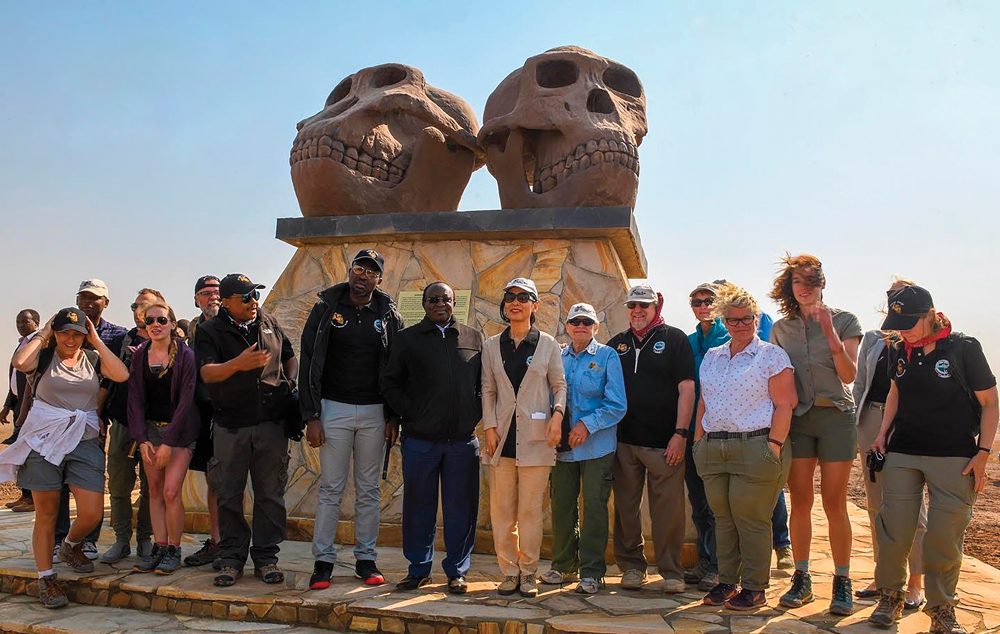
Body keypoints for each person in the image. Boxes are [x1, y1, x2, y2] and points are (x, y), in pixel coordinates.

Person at [867, 285, 998, 633]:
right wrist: (882, 433)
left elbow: (989, 403)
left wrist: (983, 453)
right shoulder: (898, 348)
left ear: (931, 314)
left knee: (943, 536)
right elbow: (895, 391)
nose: (904, 328)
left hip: (954, 456)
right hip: (903, 452)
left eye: (910, 322)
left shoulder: (963, 348)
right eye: (898, 322)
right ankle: (889, 599)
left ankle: (942, 610)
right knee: (893, 530)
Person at [0, 307, 128, 608]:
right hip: (44, 439)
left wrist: (96, 341)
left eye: (77, 333)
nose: (71, 339)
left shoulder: (93, 359)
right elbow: (19, 361)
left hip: (83, 439)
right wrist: (43, 333)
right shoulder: (43, 359)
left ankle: (70, 545)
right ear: (54, 333)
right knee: (46, 514)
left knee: (92, 513)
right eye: (64, 332)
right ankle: (46, 578)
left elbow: (122, 374)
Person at [299, 250, 404, 589]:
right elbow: (308, 361)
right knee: (331, 486)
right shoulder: (326, 309)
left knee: (369, 490)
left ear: (379, 279)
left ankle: (366, 559)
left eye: (371, 271)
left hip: (375, 412)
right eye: (359, 268)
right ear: (350, 271)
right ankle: (323, 560)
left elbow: (397, 370)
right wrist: (311, 415)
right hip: (334, 409)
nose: (363, 275)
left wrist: (393, 416)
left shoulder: (388, 315)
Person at [693, 283, 797, 610]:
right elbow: (703, 402)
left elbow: (786, 403)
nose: (741, 325)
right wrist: (698, 441)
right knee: (722, 518)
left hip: (756, 445)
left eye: (747, 318)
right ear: (724, 321)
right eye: (733, 320)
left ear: (756, 318)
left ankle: (754, 588)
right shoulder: (712, 357)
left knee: (751, 519)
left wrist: (774, 447)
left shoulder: (771, 355)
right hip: (714, 446)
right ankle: (727, 581)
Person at [769, 254, 863, 614]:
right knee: (802, 501)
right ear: (790, 287)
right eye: (797, 282)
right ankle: (802, 578)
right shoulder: (781, 328)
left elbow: (849, 375)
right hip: (800, 421)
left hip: (836, 416)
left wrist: (829, 331)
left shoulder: (846, 320)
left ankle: (842, 581)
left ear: (822, 283)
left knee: (835, 503)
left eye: (811, 281)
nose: (804, 288)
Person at [193, 273, 298, 588]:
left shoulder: (268, 322)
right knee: (229, 495)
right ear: (225, 302)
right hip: (231, 427)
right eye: (246, 297)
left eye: (255, 295)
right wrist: (238, 364)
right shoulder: (210, 331)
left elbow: (291, 357)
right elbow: (207, 374)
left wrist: (289, 382)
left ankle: (266, 559)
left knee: (270, 494)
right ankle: (231, 559)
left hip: (271, 425)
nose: (254, 302)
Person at [381, 282, 482, 594]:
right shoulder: (407, 340)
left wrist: (473, 413)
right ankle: (418, 569)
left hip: (462, 442)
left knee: (460, 510)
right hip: (420, 440)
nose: (440, 304)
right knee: (418, 508)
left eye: (446, 299)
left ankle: (457, 571)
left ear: (455, 302)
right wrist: (410, 413)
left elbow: (483, 383)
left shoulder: (472, 337)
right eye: (433, 299)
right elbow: (390, 383)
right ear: (424, 304)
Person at [607, 284, 695, 594]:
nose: (637, 310)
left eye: (644, 305)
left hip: (665, 443)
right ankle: (632, 567)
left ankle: (671, 571)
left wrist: (681, 434)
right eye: (632, 305)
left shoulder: (675, 339)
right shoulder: (616, 344)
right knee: (626, 509)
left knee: (667, 512)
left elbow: (687, 389)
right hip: (624, 443)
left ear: (656, 306)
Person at [482, 278, 566, 598]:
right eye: (510, 297)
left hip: (536, 441)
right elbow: (488, 390)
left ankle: (529, 572)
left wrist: (557, 414)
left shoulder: (548, 344)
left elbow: (559, 385)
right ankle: (509, 571)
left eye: (523, 297)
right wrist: (489, 427)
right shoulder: (491, 346)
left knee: (530, 512)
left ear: (535, 305)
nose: (515, 302)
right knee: (502, 511)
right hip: (501, 439)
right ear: (505, 305)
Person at [540, 303, 626, 594]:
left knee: (595, 509)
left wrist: (587, 425)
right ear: (567, 326)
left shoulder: (607, 356)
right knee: (562, 506)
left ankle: (592, 571)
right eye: (575, 321)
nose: (580, 326)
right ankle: (564, 566)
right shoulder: (557, 356)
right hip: (562, 449)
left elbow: (617, 404)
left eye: (586, 322)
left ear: (596, 327)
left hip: (597, 448)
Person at [853, 278, 926, 609]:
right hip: (872, 420)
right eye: (891, 295)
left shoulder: (924, 340)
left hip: (908, 424)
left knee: (914, 506)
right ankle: (883, 575)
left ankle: (915, 581)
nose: (894, 299)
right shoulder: (872, 338)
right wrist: (860, 422)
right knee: (875, 501)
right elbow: (861, 384)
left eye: (901, 294)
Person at [57, 279, 127, 560]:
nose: (88, 302)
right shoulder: (63, 331)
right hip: (59, 419)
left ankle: (87, 540)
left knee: (91, 479)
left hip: (94, 419)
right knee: (58, 480)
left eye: (94, 298)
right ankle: (61, 537)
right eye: (83, 297)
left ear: (105, 303)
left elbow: (118, 376)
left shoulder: (117, 336)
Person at [128, 302, 199, 575]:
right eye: (150, 321)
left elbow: (186, 400)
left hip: (179, 432)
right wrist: (142, 438)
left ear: (171, 324)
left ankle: (174, 549)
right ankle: (159, 546)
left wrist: (168, 442)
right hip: (150, 431)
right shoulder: (139, 355)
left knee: (171, 491)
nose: (155, 325)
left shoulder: (185, 355)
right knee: (154, 491)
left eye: (161, 319)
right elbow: (134, 399)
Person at [99, 288, 163, 564]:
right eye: (135, 306)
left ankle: (146, 539)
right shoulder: (121, 342)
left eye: (145, 306)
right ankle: (122, 539)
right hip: (124, 424)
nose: (139, 311)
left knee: (152, 487)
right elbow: (107, 382)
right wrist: (97, 415)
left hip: (155, 428)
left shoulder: (169, 342)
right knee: (119, 484)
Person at [183, 275, 226, 568]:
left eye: (217, 291)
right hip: (205, 412)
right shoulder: (192, 329)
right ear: (196, 298)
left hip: (234, 411)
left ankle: (236, 543)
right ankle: (218, 541)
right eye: (206, 292)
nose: (212, 296)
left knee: (233, 481)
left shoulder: (237, 322)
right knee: (214, 479)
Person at [3, 309, 41, 512]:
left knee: (29, 452)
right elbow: (15, 381)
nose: (19, 325)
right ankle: (25, 495)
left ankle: (33, 497)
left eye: (24, 321)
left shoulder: (40, 344)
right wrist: (7, 406)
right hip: (20, 406)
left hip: (34, 407)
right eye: (17, 321)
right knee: (20, 452)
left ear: (36, 322)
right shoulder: (23, 344)